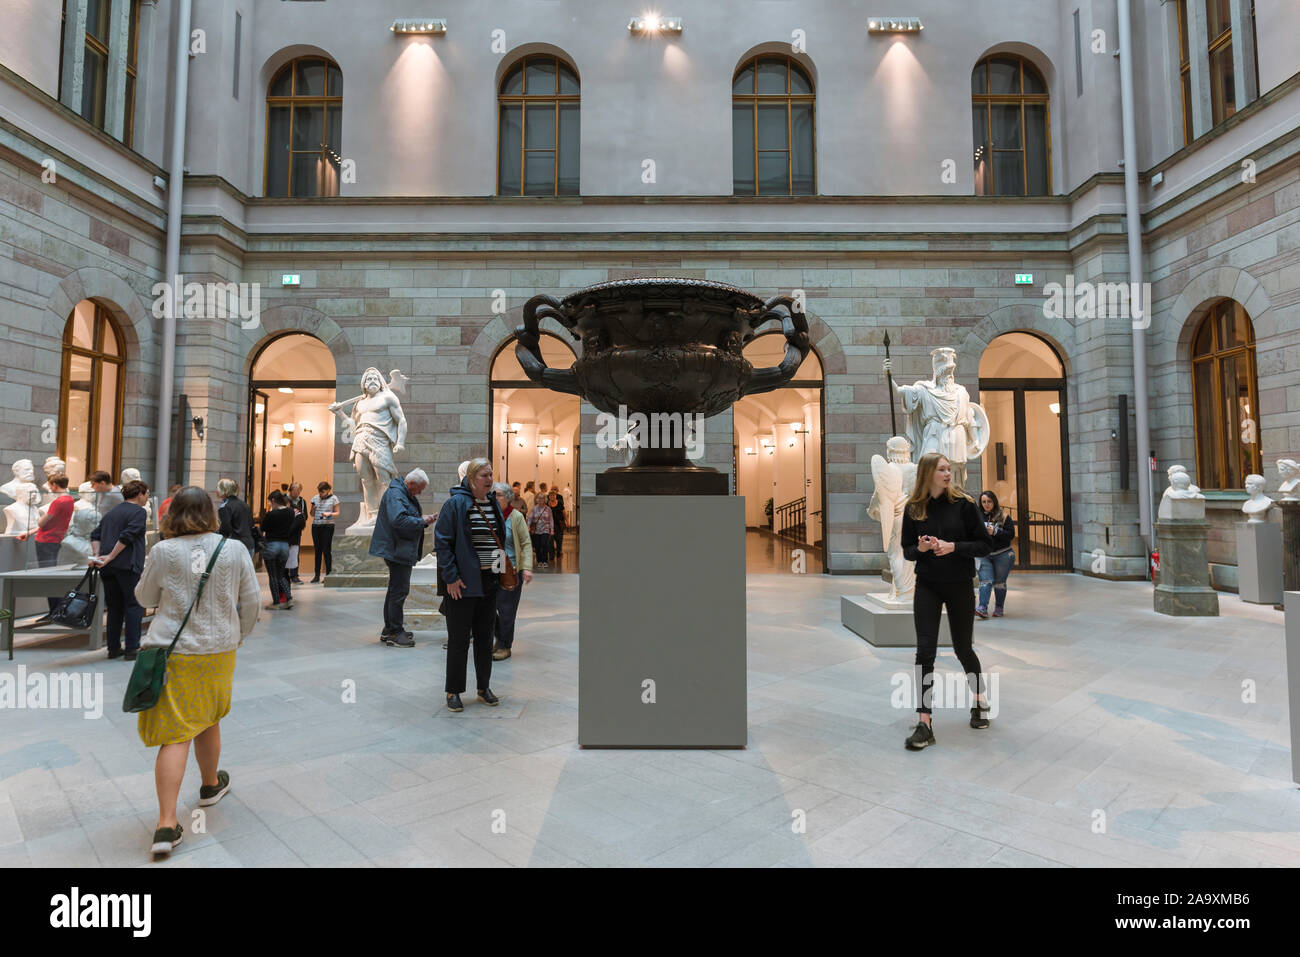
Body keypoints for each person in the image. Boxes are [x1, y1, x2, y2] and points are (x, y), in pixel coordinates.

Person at [134, 486, 261, 857]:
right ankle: (209, 786)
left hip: (175, 651)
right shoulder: (233, 549)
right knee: (209, 716)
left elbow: (143, 598)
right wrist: (239, 635)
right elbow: (252, 601)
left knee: (176, 733)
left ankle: (166, 824)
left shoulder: (163, 550)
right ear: (211, 512)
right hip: (218, 650)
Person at [900, 453, 993, 750]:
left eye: (948, 469)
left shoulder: (963, 505)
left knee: (962, 647)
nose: (948, 474)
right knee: (924, 651)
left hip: (959, 585)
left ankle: (979, 701)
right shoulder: (913, 508)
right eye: (942, 470)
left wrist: (954, 546)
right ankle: (924, 722)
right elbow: (907, 552)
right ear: (928, 474)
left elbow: (984, 544)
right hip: (927, 585)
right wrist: (922, 547)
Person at [435, 458, 504, 712]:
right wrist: (451, 577)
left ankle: (483, 687)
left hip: (489, 582)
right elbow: (442, 542)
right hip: (463, 583)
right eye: (484, 475)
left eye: (491, 475)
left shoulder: (493, 503)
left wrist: (499, 573)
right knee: (459, 640)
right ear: (472, 479)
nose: (489, 479)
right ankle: (453, 690)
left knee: (486, 638)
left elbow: (498, 541)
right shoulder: (456, 503)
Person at [370, 468, 436, 647]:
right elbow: (399, 521)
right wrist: (423, 521)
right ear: (411, 483)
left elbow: (404, 517)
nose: (420, 493)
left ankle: (389, 628)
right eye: (420, 488)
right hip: (397, 550)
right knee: (399, 591)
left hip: (399, 549)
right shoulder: (396, 494)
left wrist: (421, 518)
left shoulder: (401, 493)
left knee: (395, 590)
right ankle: (394, 632)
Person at [89, 478, 150, 660]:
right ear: (140, 494)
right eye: (146, 494)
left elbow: (95, 535)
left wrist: (99, 555)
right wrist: (111, 556)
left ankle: (113, 648)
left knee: (114, 608)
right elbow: (128, 536)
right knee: (133, 605)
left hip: (108, 568)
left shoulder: (111, 513)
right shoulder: (139, 512)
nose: (147, 498)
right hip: (127, 565)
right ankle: (132, 649)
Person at [17, 473, 73, 616]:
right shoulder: (70, 499)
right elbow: (49, 524)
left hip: (46, 542)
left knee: (48, 576)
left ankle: (55, 610)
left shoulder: (58, 502)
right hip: (55, 540)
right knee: (52, 575)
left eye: (50, 485)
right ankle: (57, 609)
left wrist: (40, 521)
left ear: (55, 485)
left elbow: (42, 523)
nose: (49, 488)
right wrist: (29, 533)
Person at [491, 481, 534, 661]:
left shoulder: (515, 516)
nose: (494, 498)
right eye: (492, 494)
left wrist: (526, 568)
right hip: (493, 565)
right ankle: (500, 637)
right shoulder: (489, 514)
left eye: (498, 495)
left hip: (512, 566)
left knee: (507, 609)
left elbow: (525, 543)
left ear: (508, 498)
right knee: (489, 606)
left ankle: (505, 645)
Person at [976, 490, 1016, 619]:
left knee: (999, 582)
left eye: (989, 501)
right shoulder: (977, 516)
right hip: (984, 554)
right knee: (985, 581)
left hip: (1003, 554)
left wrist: (995, 532)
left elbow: (1011, 535)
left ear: (994, 502)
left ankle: (999, 607)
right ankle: (982, 607)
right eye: (984, 502)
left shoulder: (1004, 516)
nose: (986, 504)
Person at [259, 491, 295, 610]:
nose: (270, 504)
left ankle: (276, 602)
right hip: (285, 546)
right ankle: (289, 599)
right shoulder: (290, 512)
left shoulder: (271, 514)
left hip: (272, 545)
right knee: (281, 574)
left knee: (273, 576)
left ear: (273, 501)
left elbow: (263, 528)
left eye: (270, 502)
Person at [216, 479, 256, 558]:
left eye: (218, 487)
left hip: (234, 545)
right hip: (249, 544)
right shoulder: (244, 504)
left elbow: (225, 528)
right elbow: (251, 524)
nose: (216, 490)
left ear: (224, 490)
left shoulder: (225, 506)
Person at [309, 481, 340, 582]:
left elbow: (337, 513)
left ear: (327, 490)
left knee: (326, 550)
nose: (321, 494)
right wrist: (313, 508)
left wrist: (329, 514)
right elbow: (312, 514)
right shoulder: (315, 498)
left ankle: (328, 574)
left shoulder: (334, 498)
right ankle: (316, 575)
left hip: (328, 526)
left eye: (322, 492)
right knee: (317, 550)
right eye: (319, 492)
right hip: (316, 525)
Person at [285, 483, 308, 584]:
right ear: (290, 490)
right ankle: (285, 574)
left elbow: (305, 516)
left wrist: (298, 520)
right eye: (295, 490)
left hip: (296, 532)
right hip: (285, 531)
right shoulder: (284, 499)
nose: (297, 493)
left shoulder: (302, 501)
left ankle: (294, 575)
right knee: (285, 552)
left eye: (299, 491)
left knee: (295, 553)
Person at [528, 492, 554, 568]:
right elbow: (530, 518)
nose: (541, 500)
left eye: (542, 498)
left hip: (545, 529)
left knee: (544, 544)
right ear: (537, 499)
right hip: (536, 530)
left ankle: (545, 561)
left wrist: (552, 529)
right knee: (537, 546)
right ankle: (539, 561)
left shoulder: (548, 509)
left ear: (545, 499)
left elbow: (551, 520)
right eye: (539, 498)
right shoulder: (534, 508)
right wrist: (528, 527)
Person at [548, 489, 566, 560]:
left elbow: (564, 512)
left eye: (553, 495)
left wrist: (567, 521)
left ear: (556, 496)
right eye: (551, 495)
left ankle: (559, 552)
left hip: (559, 524)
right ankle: (551, 555)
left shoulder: (560, 503)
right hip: (550, 524)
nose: (552, 496)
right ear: (549, 496)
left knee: (559, 539)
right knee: (550, 540)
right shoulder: (547, 504)